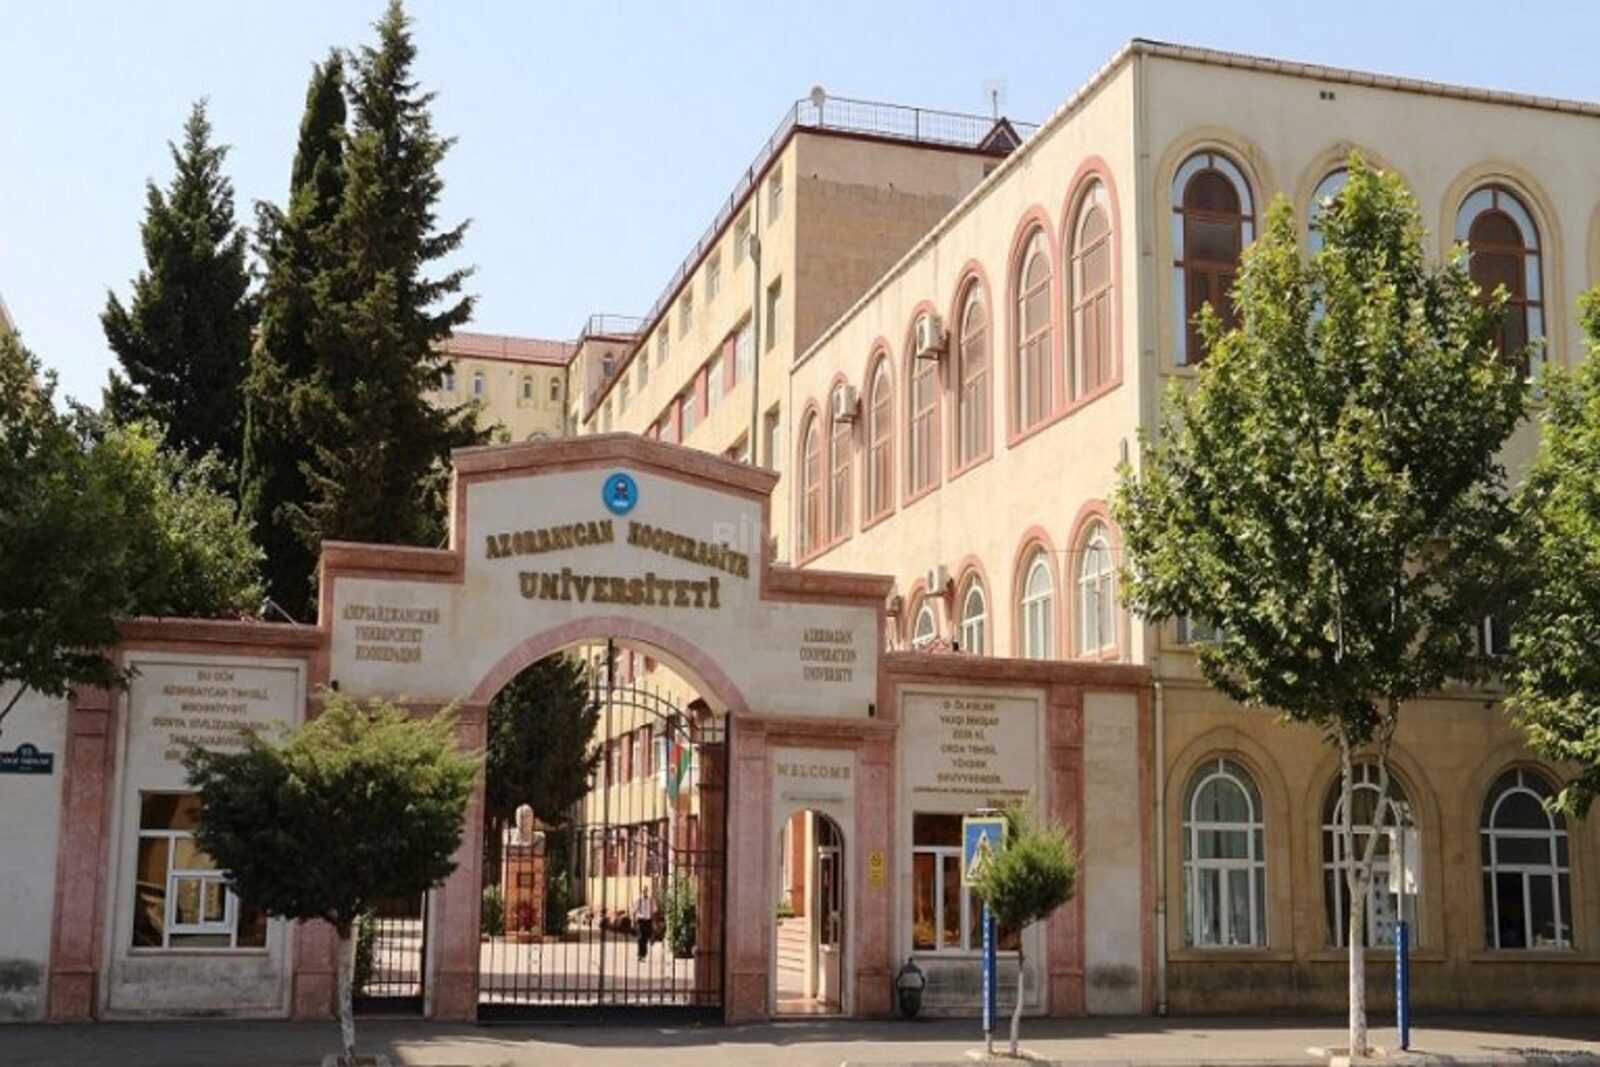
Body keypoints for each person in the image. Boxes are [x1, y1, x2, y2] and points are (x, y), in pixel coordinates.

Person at [634, 883, 656, 960]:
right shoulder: (638, 900)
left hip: (648, 921)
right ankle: (640, 954)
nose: (645, 892)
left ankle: (643, 955)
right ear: (641, 891)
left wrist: (653, 921)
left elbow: (654, 910)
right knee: (641, 937)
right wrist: (634, 919)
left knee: (645, 938)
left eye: (646, 890)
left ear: (647, 891)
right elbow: (635, 910)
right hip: (641, 920)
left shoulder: (651, 900)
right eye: (643, 891)